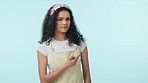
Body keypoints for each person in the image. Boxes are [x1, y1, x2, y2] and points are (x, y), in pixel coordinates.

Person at [37, 4, 91, 83]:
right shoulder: (44, 47)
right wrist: (66, 66)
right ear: (52, 21)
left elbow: (87, 76)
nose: (64, 22)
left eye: (68, 19)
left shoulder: (79, 43)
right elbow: (43, 80)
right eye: (60, 19)